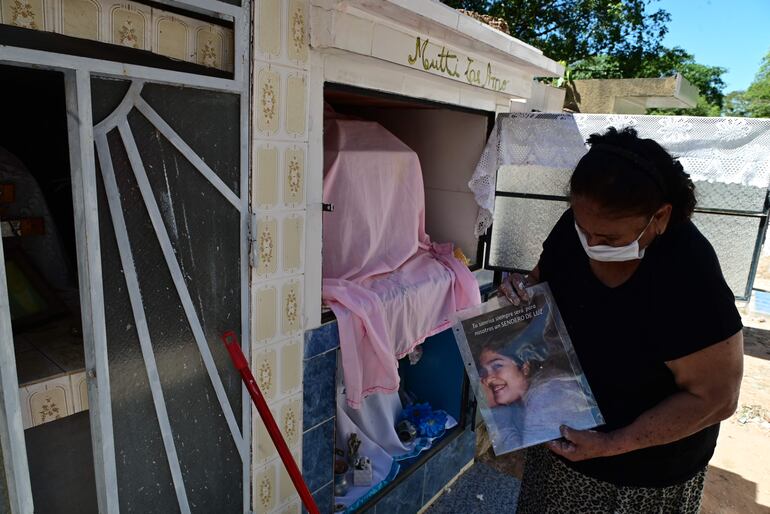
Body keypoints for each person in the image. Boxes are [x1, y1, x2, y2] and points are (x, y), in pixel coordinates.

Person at [501, 127, 744, 513]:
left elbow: (716, 399)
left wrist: (612, 443)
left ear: (660, 217)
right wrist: (521, 291)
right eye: (584, 231)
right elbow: (543, 281)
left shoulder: (689, 276)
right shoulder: (577, 227)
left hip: (641, 477)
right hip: (561, 441)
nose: (592, 246)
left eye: (611, 240)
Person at [474, 301, 601, 453]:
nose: (487, 379)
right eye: (484, 371)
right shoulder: (541, 386)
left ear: (525, 366)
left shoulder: (543, 398)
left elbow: (519, 449)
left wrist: (496, 409)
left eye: (497, 366)